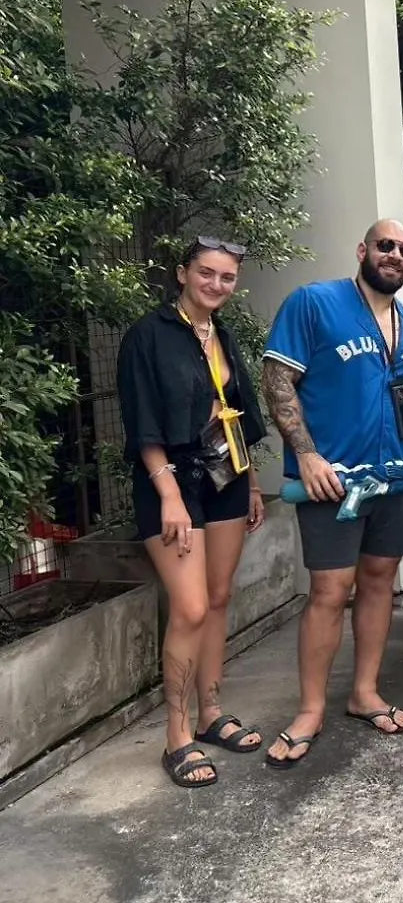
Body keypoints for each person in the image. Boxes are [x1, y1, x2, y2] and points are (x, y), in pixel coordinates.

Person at [258, 219, 403, 767]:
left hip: (398, 479)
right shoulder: (315, 303)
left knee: (380, 581)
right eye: (386, 245)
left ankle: (364, 692)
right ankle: (310, 709)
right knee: (330, 591)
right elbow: (277, 378)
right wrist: (306, 454)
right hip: (333, 480)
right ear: (363, 250)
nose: (396, 255)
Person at [116, 236, 269, 788]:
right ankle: (176, 735)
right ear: (183, 273)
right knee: (191, 606)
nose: (216, 284)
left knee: (219, 597)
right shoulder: (148, 335)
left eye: (227, 277)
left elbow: (236, 413)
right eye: (206, 273)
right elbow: (142, 421)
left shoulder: (221, 333)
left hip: (227, 474)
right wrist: (169, 495)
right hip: (172, 479)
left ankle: (210, 713)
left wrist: (252, 483)